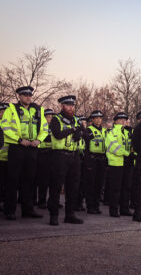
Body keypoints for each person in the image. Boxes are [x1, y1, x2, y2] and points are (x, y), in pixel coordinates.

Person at [1, 86, 47, 220]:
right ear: (19, 96)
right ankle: (10, 210)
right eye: (25, 95)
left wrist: (39, 140)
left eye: (30, 95)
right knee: (13, 179)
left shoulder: (38, 110)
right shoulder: (11, 109)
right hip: (17, 148)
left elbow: (44, 128)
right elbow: (5, 127)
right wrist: (19, 140)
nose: (28, 97)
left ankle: (28, 210)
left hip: (32, 148)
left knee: (29, 180)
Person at [48, 95, 86, 225]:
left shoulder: (77, 119)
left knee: (73, 187)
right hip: (59, 156)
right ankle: (53, 215)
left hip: (74, 156)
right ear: (62, 106)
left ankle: (70, 214)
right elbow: (58, 135)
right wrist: (73, 130)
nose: (71, 107)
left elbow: (87, 135)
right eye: (68, 105)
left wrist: (80, 133)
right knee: (56, 186)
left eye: (72, 105)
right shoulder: (56, 119)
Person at [105, 112, 132, 217]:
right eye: (121, 119)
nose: (123, 121)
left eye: (124, 120)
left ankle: (124, 209)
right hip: (115, 163)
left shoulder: (126, 132)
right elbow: (113, 146)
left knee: (126, 187)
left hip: (126, 163)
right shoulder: (111, 132)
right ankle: (114, 210)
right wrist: (127, 153)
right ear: (115, 121)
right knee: (115, 188)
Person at [84, 110, 107, 214]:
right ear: (92, 119)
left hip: (102, 159)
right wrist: (88, 162)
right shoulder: (88, 130)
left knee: (99, 183)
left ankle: (96, 205)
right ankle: (90, 206)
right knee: (91, 184)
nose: (98, 120)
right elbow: (86, 147)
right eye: (96, 118)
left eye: (100, 118)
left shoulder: (105, 131)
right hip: (92, 159)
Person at [34, 108, 56, 209]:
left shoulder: (55, 127)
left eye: (51, 117)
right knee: (43, 180)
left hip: (53, 154)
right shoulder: (40, 127)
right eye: (47, 117)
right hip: (43, 154)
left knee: (53, 180)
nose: (50, 119)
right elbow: (45, 138)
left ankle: (52, 201)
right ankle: (41, 201)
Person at [0, 103, 9, 212]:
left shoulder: (11, 124)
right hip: (1, 158)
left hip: (9, 158)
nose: (3, 113)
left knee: (7, 183)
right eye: (1, 111)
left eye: (5, 111)